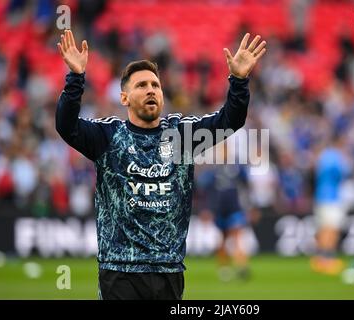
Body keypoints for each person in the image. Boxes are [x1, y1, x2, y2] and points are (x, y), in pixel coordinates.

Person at [55, 29, 266, 300]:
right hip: (120, 271)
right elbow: (66, 126)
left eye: (155, 85)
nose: (150, 90)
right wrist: (75, 78)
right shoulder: (108, 136)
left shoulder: (181, 136)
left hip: (169, 271)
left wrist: (239, 80)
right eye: (141, 86)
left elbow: (230, 121)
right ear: (124, 98)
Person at [197, 142, 251, 282]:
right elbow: (204, 189)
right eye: (222, 150)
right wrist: (206, 209)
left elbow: (246, 185)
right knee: (222, 239)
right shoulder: (213, 170)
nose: (225, 153)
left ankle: (242, 266)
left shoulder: (237, 168)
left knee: (237, 235)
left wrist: (250, 206)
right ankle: (224, 268)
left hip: (234, 208)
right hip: (219, 209)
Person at [310, 131, 351, 275]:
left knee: (323, 229)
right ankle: (328, 260)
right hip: (332, 197)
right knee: (332, 229)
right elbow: (342, 175)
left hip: (320, 195)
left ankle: (320, 260)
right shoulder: (337, 157)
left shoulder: (323, 156)